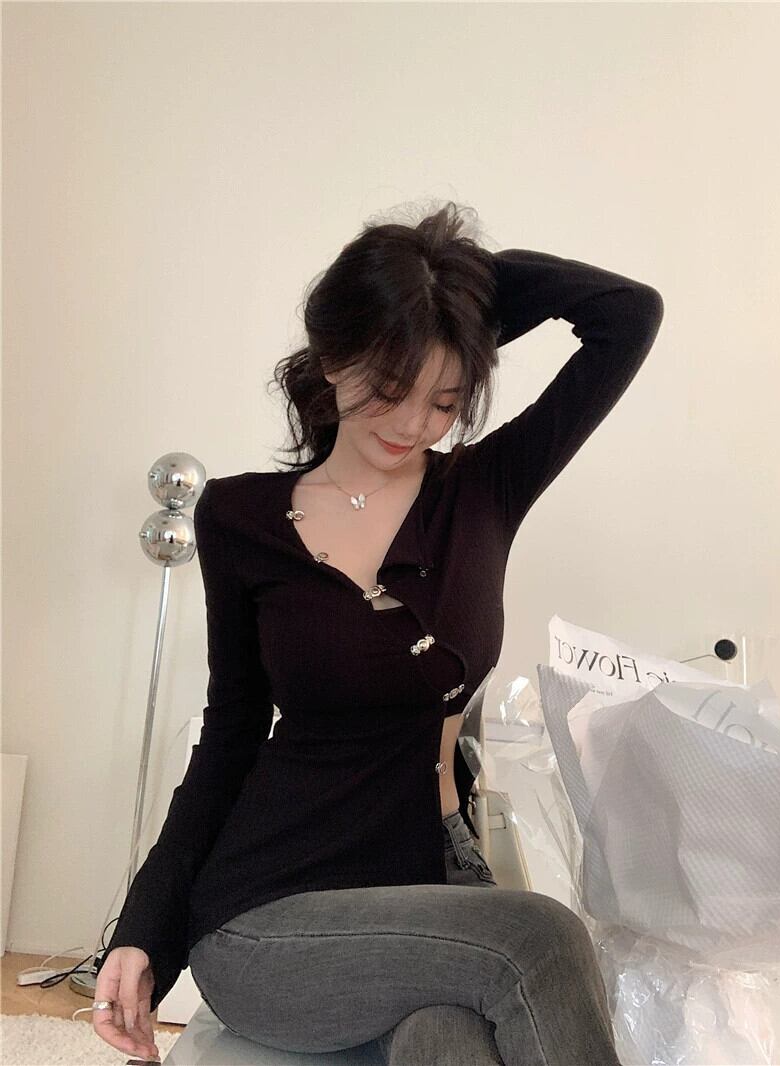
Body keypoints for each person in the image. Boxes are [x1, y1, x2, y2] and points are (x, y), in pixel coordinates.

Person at [93, 200, 664, 1065]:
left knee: (450, 1043)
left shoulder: (485, 490)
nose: (411, 425)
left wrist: (456, 290)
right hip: (269, 917)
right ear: (334, 357)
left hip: (433, 885)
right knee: (542, 938)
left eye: (445, 401)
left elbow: (628, 315)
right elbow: (231, 736)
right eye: (391, 388)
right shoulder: (241, 517)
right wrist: (144, 929)